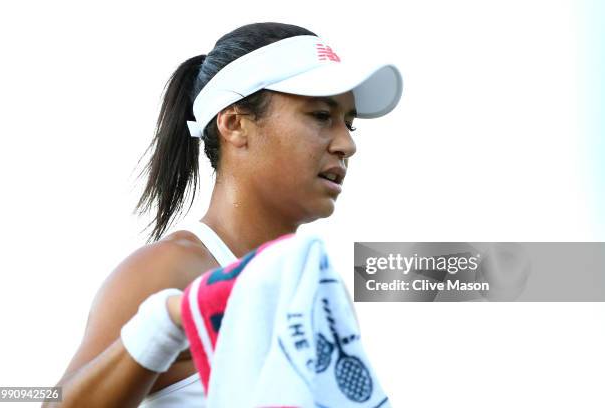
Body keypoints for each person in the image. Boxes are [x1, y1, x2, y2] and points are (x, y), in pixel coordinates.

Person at [45, 22, 402, 407]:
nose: (347, 144)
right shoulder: (168, 271)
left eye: (349, 123)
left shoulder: (315, 292)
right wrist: (165, 323)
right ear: (234, 124)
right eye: (319, 115)